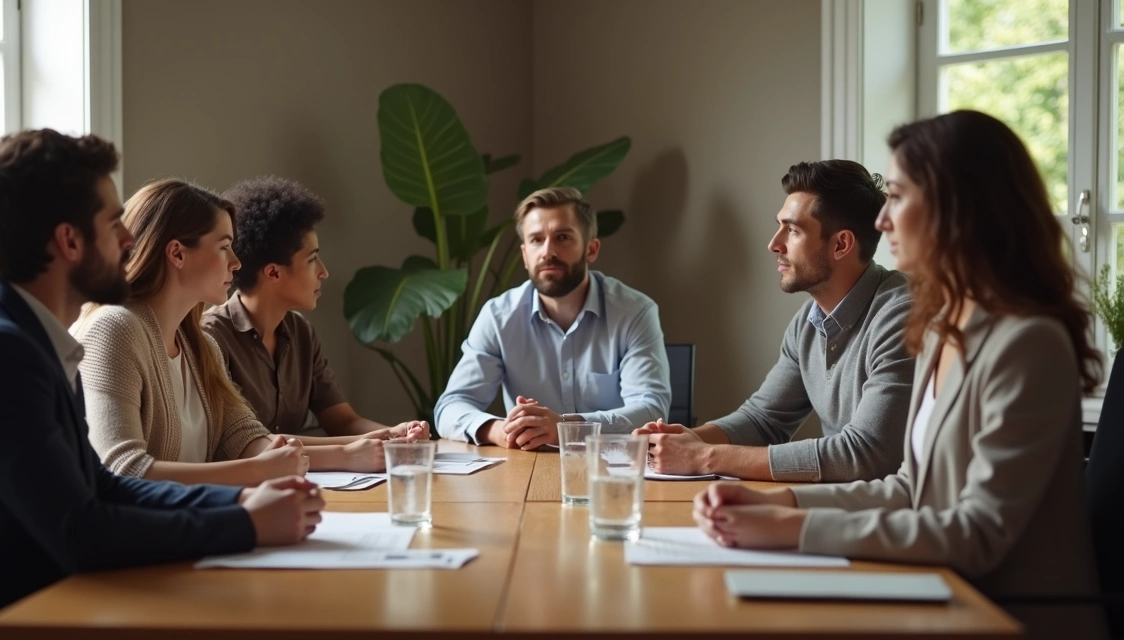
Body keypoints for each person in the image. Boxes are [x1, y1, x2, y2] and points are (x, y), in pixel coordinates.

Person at [692, 111, 1103, 637]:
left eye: (900, 197)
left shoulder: (1028, 343)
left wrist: (793, 526)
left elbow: (979, 532)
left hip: (1007, 616)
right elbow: (911, 487)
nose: (882, 222)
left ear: (959, 211)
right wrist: (779, 501)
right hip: (938, 594)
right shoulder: (941, 328)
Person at [0, 130, 324, 639]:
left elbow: (101, 486)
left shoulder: (30, 338)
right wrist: (246, 524)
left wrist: (237, 503)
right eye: (113, 223)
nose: (130, 239)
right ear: (70, 241)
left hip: (45, 604)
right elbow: (79, 531)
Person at [76, 179, 390, 486]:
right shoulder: (115, 329)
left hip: (194, 526)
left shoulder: (201, 347)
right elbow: (122, 471)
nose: (237, 263)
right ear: (177, 254)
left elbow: (245, 437)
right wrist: (259, 470)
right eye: (225, 247)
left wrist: (291, 456)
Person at [636, 160, 913, 482]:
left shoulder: (902, 316)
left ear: (841, 245)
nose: (774, 244)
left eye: (793, 230)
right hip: (845, 508)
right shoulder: (808, 323)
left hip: (899, 520)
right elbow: (764, 419)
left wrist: (706, 456)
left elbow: (865, 455)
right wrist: (687, 440)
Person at [435, 186, 670, 449]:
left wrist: (567, 429)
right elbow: (450, 407)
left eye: (563, 237)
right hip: (523, 470)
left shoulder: (634, 312)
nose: (548, 251)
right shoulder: (498, 317)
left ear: (591, 250)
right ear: (525, 255)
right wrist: (502, 431)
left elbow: (651, 410)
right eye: (536, 240)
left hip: (610, 468)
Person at [202, 176, 429, 441]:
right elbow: (249, 443)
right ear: (273, 272)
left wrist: (394, 435)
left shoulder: (301, 332)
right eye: (312, 260)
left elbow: (343, 422)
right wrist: (351, 451)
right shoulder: (212, 338)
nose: (323, 272)